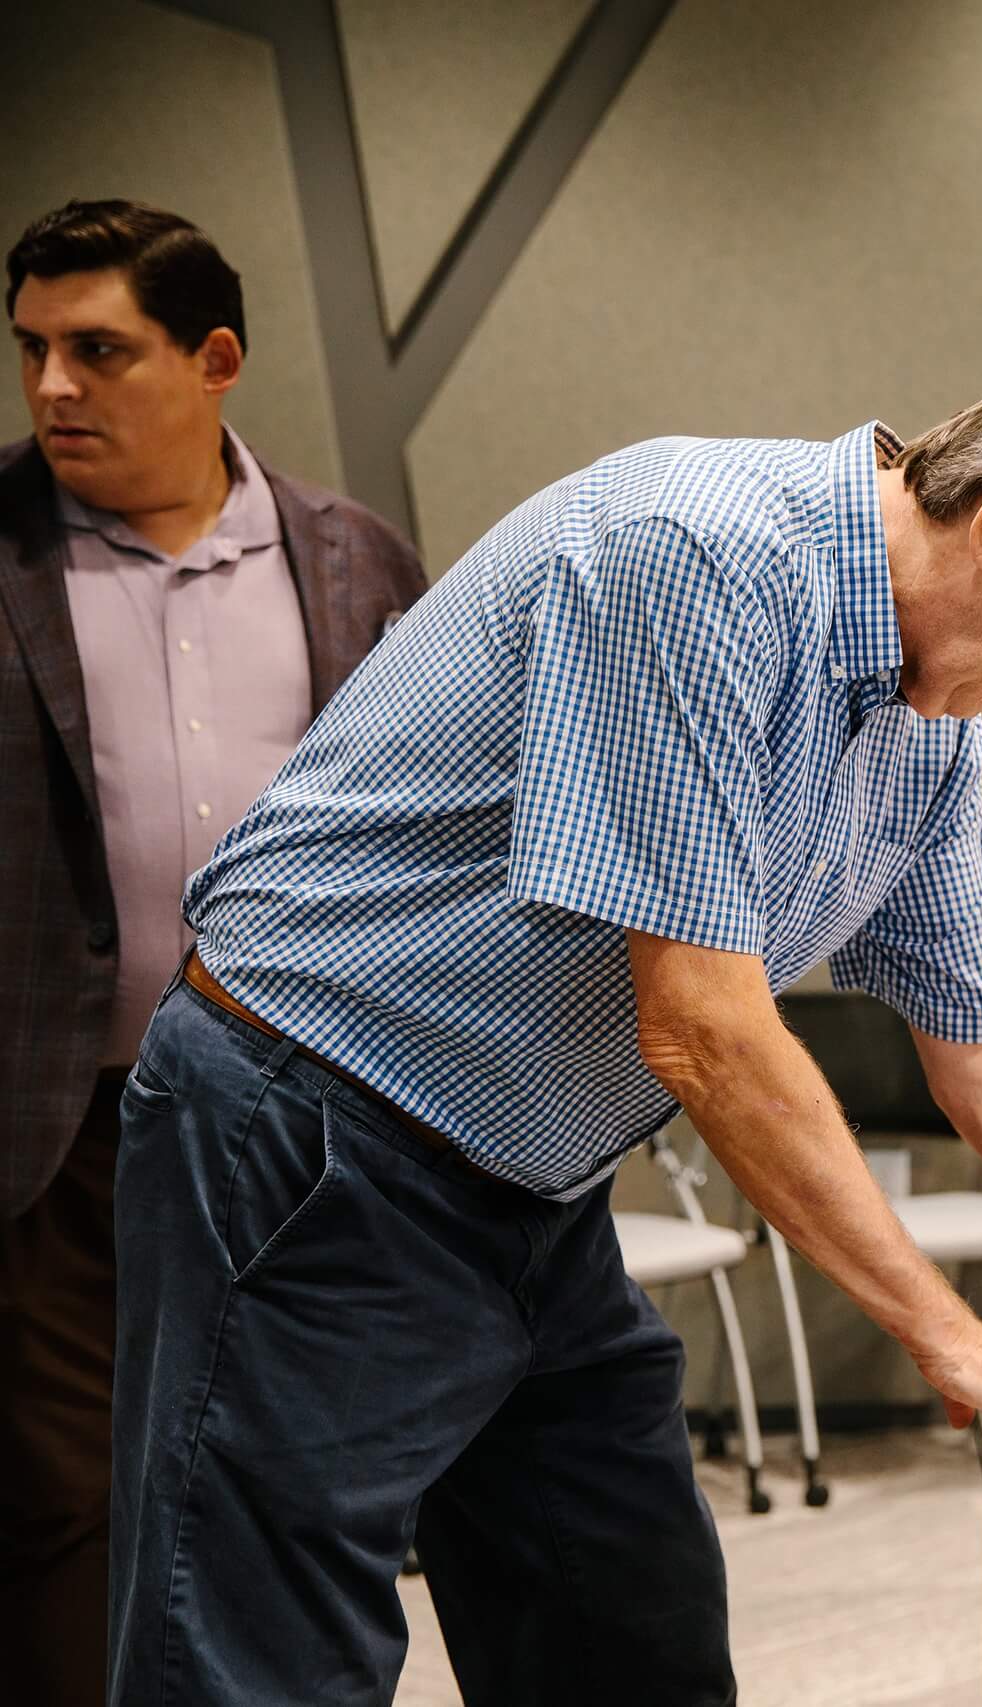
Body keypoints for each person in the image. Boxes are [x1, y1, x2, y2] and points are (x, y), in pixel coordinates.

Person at [110, 359, 982, 1704]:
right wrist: (949, 1334)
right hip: (310, 1136)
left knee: (634, 1643)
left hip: (530, 1187)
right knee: (258, 1665)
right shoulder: (689, 557)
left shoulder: (923, 723)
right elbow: (703, 1029)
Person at [0, 199, 425, 1707]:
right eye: (34, 350)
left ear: (215, 357)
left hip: (295, 1129)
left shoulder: (354, 559)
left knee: (276, 1484)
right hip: (55, 1130)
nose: (53, 387)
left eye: (99, 351)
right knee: (61, 1505)